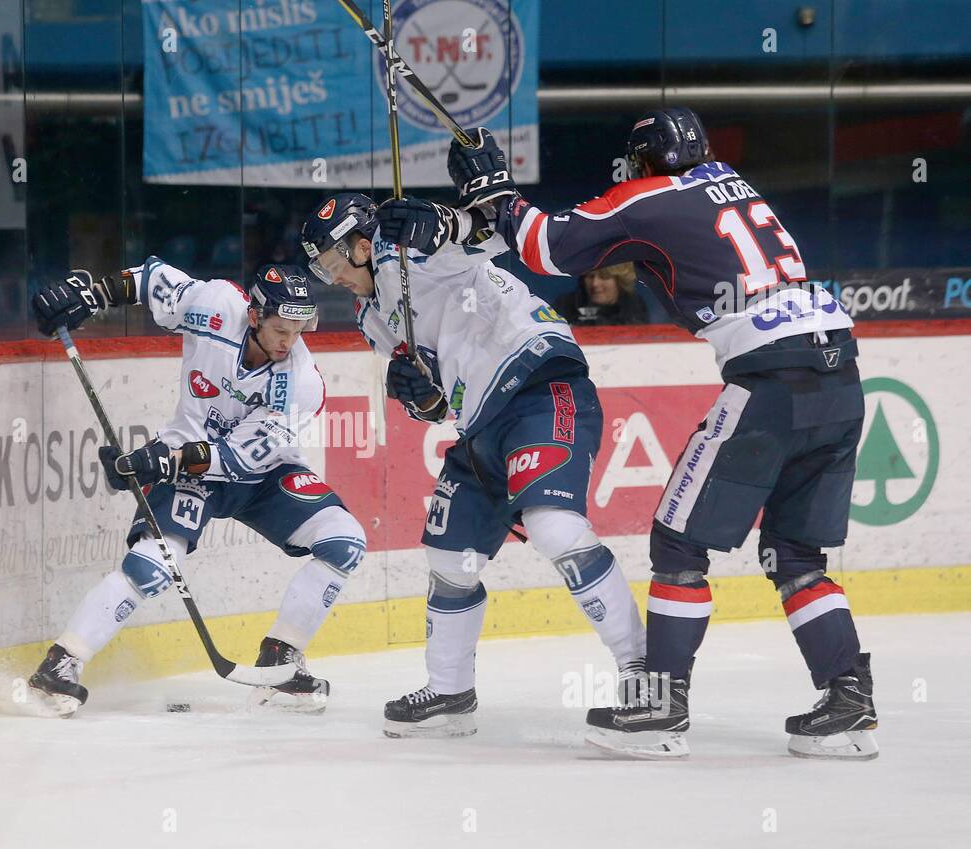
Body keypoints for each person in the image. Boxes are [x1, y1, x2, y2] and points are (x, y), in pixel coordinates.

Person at [384, 111, 873, 759]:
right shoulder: (732, 182)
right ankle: (849, 700)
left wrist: (495, 189)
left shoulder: (650, 197)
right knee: (796, 555)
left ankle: (660, 708)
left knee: (678, 544)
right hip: (840, 376)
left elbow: (545, 247)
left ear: (643, 162)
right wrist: (467, 216)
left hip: (772, 380)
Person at [301, 192, 646, 738]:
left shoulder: (414, 255)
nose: (330, 276)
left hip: (540, 390)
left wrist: (441, 222)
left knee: (554, 528)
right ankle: (450, 690)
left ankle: (644, 674)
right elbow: (435, 401)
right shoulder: (370, 316)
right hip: (478, 427)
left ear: (363, 246)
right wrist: (419, 395)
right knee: (449, 560)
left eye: (331, 261)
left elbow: (496, 233)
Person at [26, 261, 366, 716]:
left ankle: (281, 663)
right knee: (152, 568)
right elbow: (149, 280)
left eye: (299, 330)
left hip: (261, 475)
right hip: (187, 470)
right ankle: (60, 665)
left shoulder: (302, 383)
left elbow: (238, 458)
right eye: (281, 329)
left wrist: (156, 462)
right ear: (254, 315)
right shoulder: (216, 306)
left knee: (344, 542)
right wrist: (92, 297)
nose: (289, 342)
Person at [553, 262, 650, 325]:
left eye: (604, 277)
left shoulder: (634, 305)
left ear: (620, 281)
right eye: (590, 276)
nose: (595, 284)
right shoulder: (566, 304)